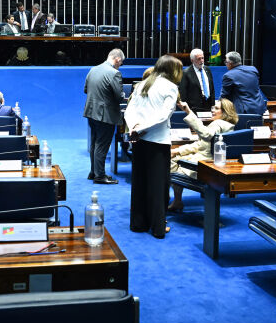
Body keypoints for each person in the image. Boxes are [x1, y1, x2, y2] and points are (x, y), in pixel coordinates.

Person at [125, 55, 182, 238]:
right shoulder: (171, 87)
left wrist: (134, 128)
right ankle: (158, 227)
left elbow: (130, 110)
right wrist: (141, 128)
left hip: (139, 140)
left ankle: (138, 224)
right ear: (173, 70)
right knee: (158, 186)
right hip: (158, 141)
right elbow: (163, 115)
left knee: (139, 183)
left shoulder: (142, 84)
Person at [168, 99, 238, 211]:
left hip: (205, 165)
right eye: (213, 107)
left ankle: (166, 200)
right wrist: (177, 151)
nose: (213, 110)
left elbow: (206, 134)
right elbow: (200, 144)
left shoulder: (219, 124)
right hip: (206, 160)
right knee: (173, 158)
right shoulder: (226, 124)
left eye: (216, 108)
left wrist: (188, 111)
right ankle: (177, 201)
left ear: (225, 112)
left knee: (166, 165)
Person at [84, 49, 125, 185]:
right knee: (102, 145)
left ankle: (94, 172)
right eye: (121, 63)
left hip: (91, 111)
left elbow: (86, 90)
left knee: (94, 143)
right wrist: (124, 96)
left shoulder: (93, 69)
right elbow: (119, 97)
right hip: (105, 114)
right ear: (117, 59)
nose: (120, 65)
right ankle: (100, 176)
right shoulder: (114, 73)